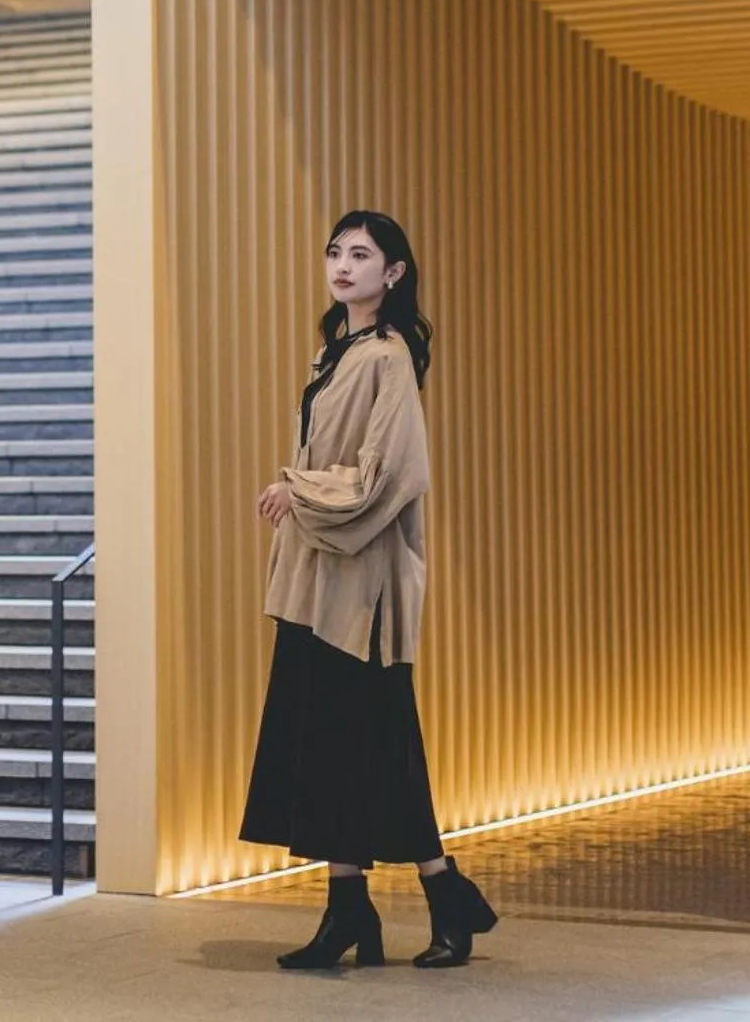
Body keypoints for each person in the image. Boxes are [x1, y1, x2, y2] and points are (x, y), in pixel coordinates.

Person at [239, 209, 497, 971]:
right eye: (335, 252)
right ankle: (352, 907)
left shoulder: (388, 356)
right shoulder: (336, 354)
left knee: (378, 741)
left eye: (361, 254)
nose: (342, 265)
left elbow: (394, 473)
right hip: (318, 578)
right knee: (331, 744)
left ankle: (440, 893)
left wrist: (298, 489)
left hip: (363, 588)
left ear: (394, 273)